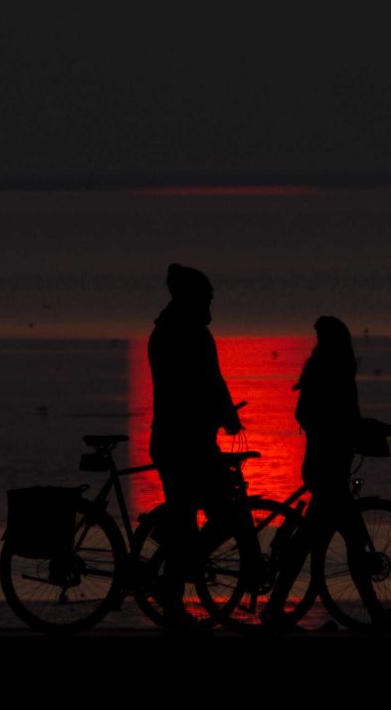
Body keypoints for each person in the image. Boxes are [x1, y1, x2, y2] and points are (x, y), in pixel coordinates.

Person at [146, 262, 259, 625]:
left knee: (187, 518)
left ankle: (175, 580)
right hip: (187, 443)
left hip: (174, 440)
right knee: (225, 516)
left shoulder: (164, 331)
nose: (210, 308)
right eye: (206, 300)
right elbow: (209, 381)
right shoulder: (189, 334)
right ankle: (172, 587)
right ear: (193, 299)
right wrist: (228, 416)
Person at [267, 314, 359, 622]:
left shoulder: (321, 369)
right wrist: (343, 431)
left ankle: (274, 607)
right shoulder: (335, 370)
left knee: (313, 541)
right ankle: (376, 612)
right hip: (329, 469)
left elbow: (310, 415)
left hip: (323, 466)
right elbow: (344, 417)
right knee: (348, 540)